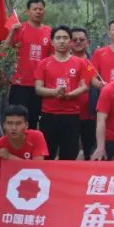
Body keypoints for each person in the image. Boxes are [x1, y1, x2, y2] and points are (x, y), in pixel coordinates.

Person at [34, 25, 91, 160]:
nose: (62, 41)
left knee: (70, 153)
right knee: (47, 153)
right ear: (52, 42)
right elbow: (38, 89)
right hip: (49, 115)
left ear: (70, 41)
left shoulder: (80, 63)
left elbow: (85, 86)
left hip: (71, 115)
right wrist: (55, 92)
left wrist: (69, 95)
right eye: (58, 38)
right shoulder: (43, 63)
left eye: (65, 38)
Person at [0, 105, 48, 216]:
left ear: (26, 125)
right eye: (9, 123)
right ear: (4, 125)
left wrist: (10, 157)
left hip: (36, 189)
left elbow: (39, 170)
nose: (13, 128)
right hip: (10, 191)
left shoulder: (37, 137)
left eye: (18, 123)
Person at [4, 0, 52, 129]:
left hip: (40, 85)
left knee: (33, 121)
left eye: (40, 9)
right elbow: (4, 50)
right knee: (17, 120)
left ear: (44, 11)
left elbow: (53, 58)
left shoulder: (49, 32)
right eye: (35, 9)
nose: (38, 11)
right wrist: (12, 32)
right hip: (20, 84)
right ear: (28, 11)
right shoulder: (20, 29)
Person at [69, 26, 98, 160]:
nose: (78, 42)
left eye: (81, 39)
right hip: (69, 113)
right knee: (69, 150)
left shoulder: (95, 61)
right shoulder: (63, 60)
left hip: (90, 114)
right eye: (74, 40)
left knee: (90, 150)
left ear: (88, 42)